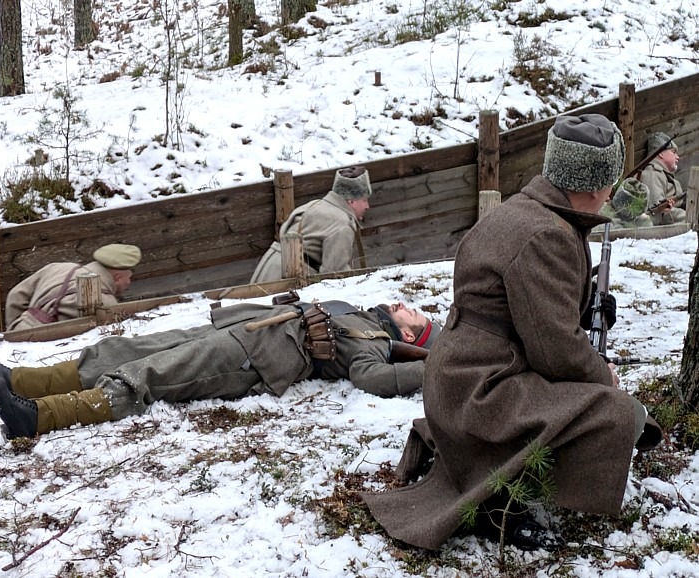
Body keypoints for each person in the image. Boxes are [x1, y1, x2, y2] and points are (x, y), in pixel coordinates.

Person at [361, 114, 662, 552]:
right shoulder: (547, 235)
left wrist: (590, 306)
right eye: (610, 182)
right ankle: (497, 501)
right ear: (597, 185)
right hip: (483, 389)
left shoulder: (521, 214)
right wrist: (603, 375)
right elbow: (555, 351)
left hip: (461, 379)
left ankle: (482, 468)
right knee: (613, 410)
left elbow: (524, 311)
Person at [0, 297, 440, 440]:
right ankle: (19, 381)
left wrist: (435, 369)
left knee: (150, 374)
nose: (406, 306)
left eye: (415, 315)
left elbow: (371, 380)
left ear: (412, 338)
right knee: (124, 350)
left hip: (253, 358)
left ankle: (36, 416)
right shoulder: (361, 312)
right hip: (243, 327)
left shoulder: (375, 345)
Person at [250, 166, 372, 283]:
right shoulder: (342, 224)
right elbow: (335, 275)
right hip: (289, 279)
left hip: (269, 267)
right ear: (351, 200)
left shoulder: (317, 205)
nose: (367, 206)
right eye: (364, 200)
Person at [5, 244, 142, 332]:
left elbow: (16, 296)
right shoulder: (106, 302)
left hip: (19, 334)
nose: (129, 283)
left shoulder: (56, 267)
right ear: (118, 278)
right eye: (129, 277)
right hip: (44, 349)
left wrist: (16, 331)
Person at [638, 132, 686, 225]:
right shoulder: (652, 174)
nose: (678, 157)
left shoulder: (663, 174)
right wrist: (690, 216)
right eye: (673, 152)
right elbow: (658, 212)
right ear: (661, 153)